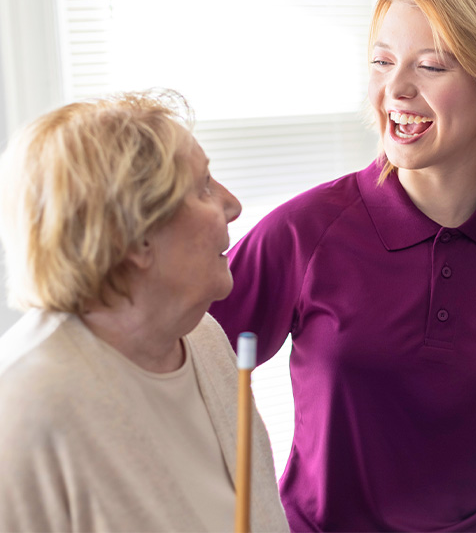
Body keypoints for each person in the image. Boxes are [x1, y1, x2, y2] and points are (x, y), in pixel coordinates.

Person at [209, 0, 476, 532]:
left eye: (432, 66)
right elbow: (175, 370)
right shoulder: (305, 230)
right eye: (382, 62)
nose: (395, 90)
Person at [0, 90, 290, 532]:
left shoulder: (203, 337)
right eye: (204, 186)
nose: (232, 206)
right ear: (135, 236)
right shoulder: (23, 406)